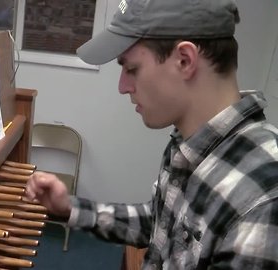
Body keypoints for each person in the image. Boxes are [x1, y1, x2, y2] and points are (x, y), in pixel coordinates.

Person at [25, 0, 278, 269]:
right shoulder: (188, 143)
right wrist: (69, 208)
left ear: (184, 60)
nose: (122, 87)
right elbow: (159, 223)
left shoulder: (263, 201)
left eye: (131, 69)